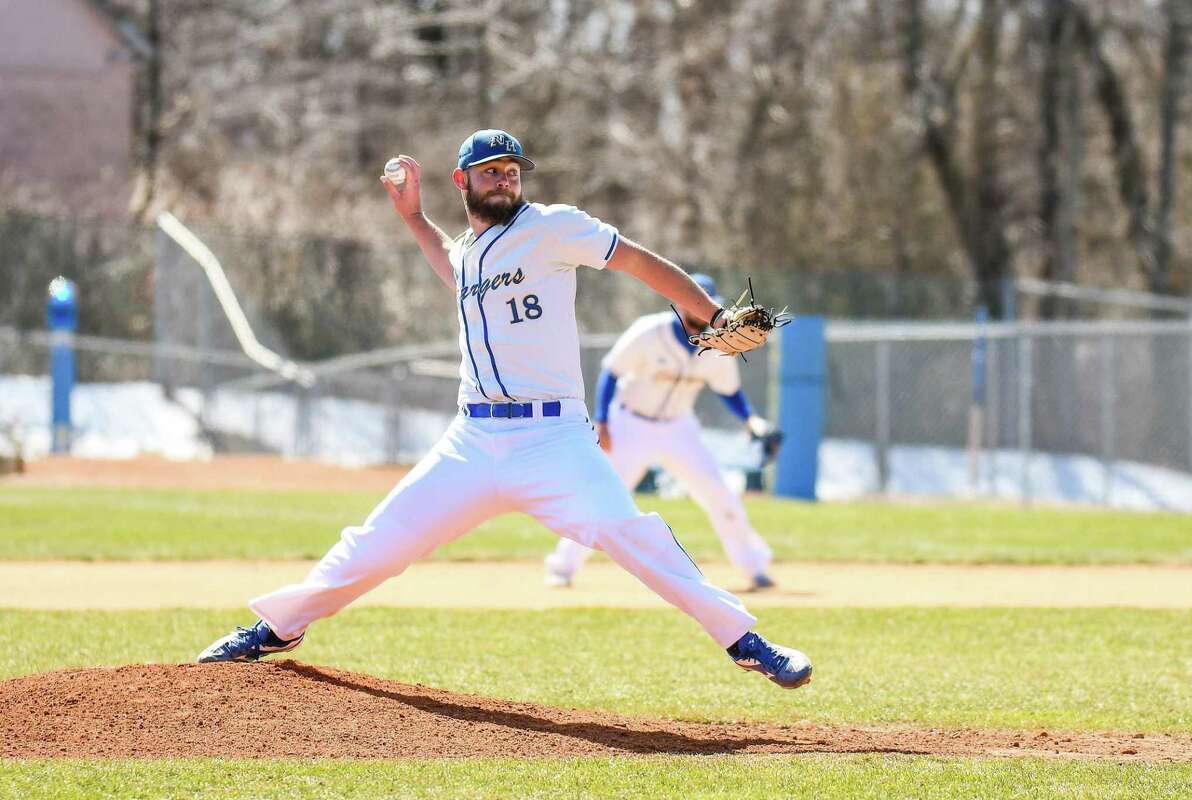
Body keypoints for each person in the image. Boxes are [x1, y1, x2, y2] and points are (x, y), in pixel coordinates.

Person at [197, 129, 812, 690]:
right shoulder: (470, 253)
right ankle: (279, 626)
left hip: (555, 440)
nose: (504, 179)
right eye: (490, 170)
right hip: (472, 441)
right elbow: (450, 263)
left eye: (512, 170)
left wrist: (706, 312)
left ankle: (745, 641)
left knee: (631, 533)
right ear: (462, 182)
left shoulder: (551, 227)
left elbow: (636, 260)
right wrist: (413, 217)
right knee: (377, 542)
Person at [543, 274, 780, 591]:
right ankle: (563, 567)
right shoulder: (649, 331)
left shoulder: (719, 343)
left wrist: (750, 419)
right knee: (602, 496)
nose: (704, 307)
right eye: (698, 300)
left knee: (719, 494)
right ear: (682, 303)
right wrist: (603, 421)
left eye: (708, 301)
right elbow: (612, 370)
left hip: (678, 428)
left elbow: (728, 390)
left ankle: (754, 567)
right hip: (630, 424)